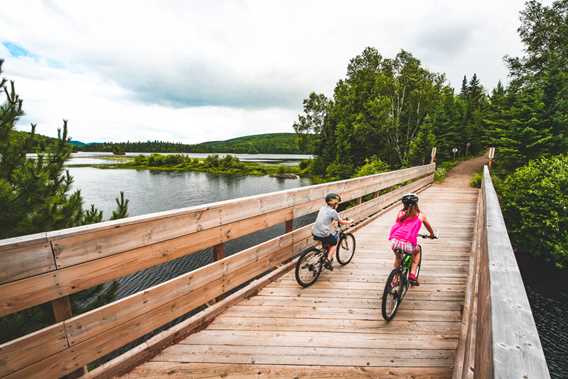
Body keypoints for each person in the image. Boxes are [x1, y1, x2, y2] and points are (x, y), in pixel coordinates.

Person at [388, 193, 435, 285]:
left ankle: (395, 278)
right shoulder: (421, 216)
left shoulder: (400, 213)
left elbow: (399, 225)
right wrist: (432, 234)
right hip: (408, 243)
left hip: (395, 241)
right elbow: (429, 227)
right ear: (416, 204)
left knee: (398, 258)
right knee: (417, 251)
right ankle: (412, 274)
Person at [312, 193, 353, 270]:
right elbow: (341, 222)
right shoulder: (333, 212)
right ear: (334, 204)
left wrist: (333, 222)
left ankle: (324, 255)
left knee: (327, 239)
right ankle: (328, 259)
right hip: (323, 233)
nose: (337, 205)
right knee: (334, 242)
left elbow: (325, 219)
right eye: (337, 203)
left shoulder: (322, 208)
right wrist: (349, 222)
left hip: (314, 231)